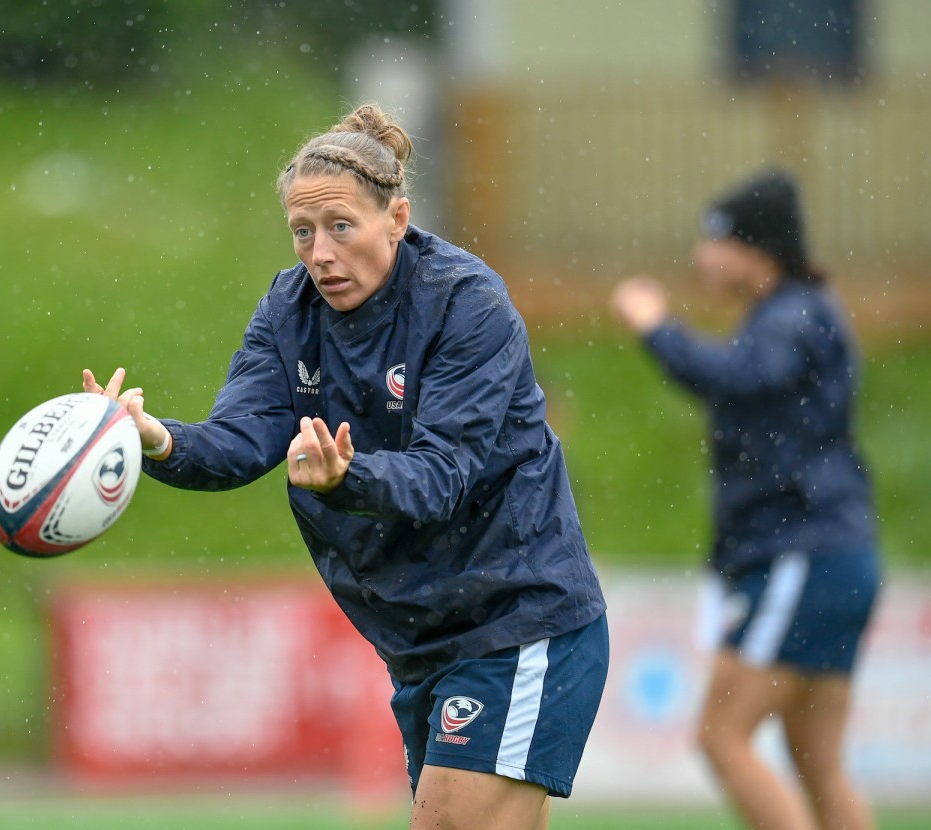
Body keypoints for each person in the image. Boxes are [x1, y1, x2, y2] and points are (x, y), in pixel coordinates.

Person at [84, 104, 608, 830]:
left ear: (397, 218)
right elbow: (239, 441)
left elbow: (441, 478)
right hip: (420, 641)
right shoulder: (289, 311)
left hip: (517, 619)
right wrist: (150, 438)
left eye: (341, 227)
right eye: (303, 232)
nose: (320, 253)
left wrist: (345, 479)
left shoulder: (465, 303)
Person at [610, 169, 880, 830]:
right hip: (837, 554)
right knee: (816, 759)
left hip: (800, 554)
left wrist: (656, 328)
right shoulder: (804, 311)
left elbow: (736, 378)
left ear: (757, 249)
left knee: (721, 737)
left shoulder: (791, 316)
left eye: (716, 240)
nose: (702, 257)